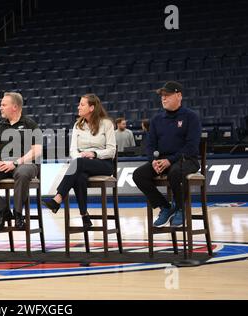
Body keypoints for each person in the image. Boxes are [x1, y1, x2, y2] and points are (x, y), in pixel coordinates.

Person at [132, 81, 201, 228]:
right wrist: (153, 161)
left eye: (167, 95)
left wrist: (170, 160)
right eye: (162, 96)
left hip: (187, 160)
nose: (163, 98)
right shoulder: (157, 119)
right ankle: (165, 207)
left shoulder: (191, 117)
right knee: (138, 175)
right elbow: (150, 145)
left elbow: (191, 146)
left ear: (179, 96)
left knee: (175, 173)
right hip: (163, 161)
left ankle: (181, 208)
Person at [42, 94, 116, 229]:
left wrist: (93, 153)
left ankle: (58, 198)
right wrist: (80, 157)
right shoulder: (78, 125)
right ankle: (84, 216)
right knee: (79, 176)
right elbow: (72, 150)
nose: (78, 107)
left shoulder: (107, 124)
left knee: (78, 164)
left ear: (92, 107)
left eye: (82, 104)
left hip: (103, 163)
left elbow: (112, 151)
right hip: (82, 164)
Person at [0, 92, 42, 231]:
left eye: (4, 105)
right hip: (2, 164)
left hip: (25, 164)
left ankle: (18, 214)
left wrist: (16, 162)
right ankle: (3, 211)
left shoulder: (29, 124)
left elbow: (37, 150)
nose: (0, 107)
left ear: (15, 107)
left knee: (22, 173)